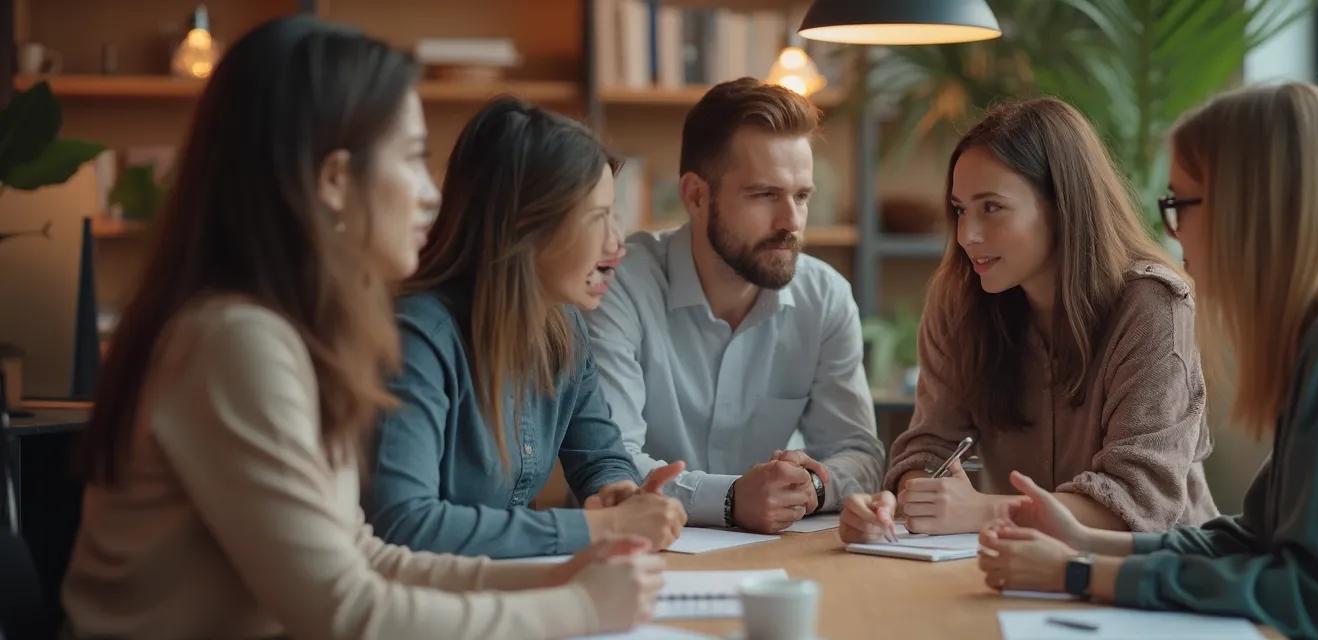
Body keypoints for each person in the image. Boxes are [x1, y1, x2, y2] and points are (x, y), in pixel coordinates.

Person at [63, 17, 662, 639]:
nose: (431, 195)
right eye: (411, 159)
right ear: (334, 181)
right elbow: (344, 612)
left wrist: (559, 579)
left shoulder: (296, 336)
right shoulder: (234, 342)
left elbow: (369, 559)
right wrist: (581, 608)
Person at [974, 83, 1318, 638]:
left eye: (1179, 204)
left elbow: (1304, 595)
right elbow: (1254, 538)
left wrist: (1079, 574)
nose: (1173, 234)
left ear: (1248, 208)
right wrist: (1086, 541)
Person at [838, 98, 1217, 543]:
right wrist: (907, 496)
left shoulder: (1153, 305)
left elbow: (1139, 500)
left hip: (1158, 578)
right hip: (1024, 566)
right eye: (960, 210)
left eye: (992, 208)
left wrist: (981, 509)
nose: (967, 235)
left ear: (1062, 206)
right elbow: (930, 444)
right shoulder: (959, 298)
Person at [364, 98, 686, 559]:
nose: (617, 243)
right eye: (597, 218)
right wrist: (598, 526)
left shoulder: (565, 326)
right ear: (525, 227)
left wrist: (617, 490)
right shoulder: (419, 339)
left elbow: (600, 456)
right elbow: (404, 523)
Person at [583, 78, 884, 533]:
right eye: (765, 195)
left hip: (780, 553)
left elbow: (860, 453)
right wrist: (729, 499)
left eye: (802, 196)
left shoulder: (825, 297)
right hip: (641, 549)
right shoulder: (619, 286)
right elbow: (610, 460)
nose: (791, 222)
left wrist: (812, 489)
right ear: (696, 195)